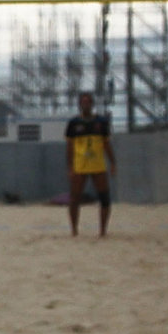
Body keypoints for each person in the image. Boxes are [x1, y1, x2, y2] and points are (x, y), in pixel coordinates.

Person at [65, 91, 112, 237]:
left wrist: (113, 162)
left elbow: (106, 144)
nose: (85, 104)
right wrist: (70, 167)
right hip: (80, 165)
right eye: (83, 102)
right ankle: (74, 230)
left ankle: (103, 231)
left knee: (104, 197)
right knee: (74, 198)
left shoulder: (101, 122)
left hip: (98, 164)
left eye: (88, 102)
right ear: (79, 104)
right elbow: (69, 147)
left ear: (92, 104)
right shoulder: (73, 124)